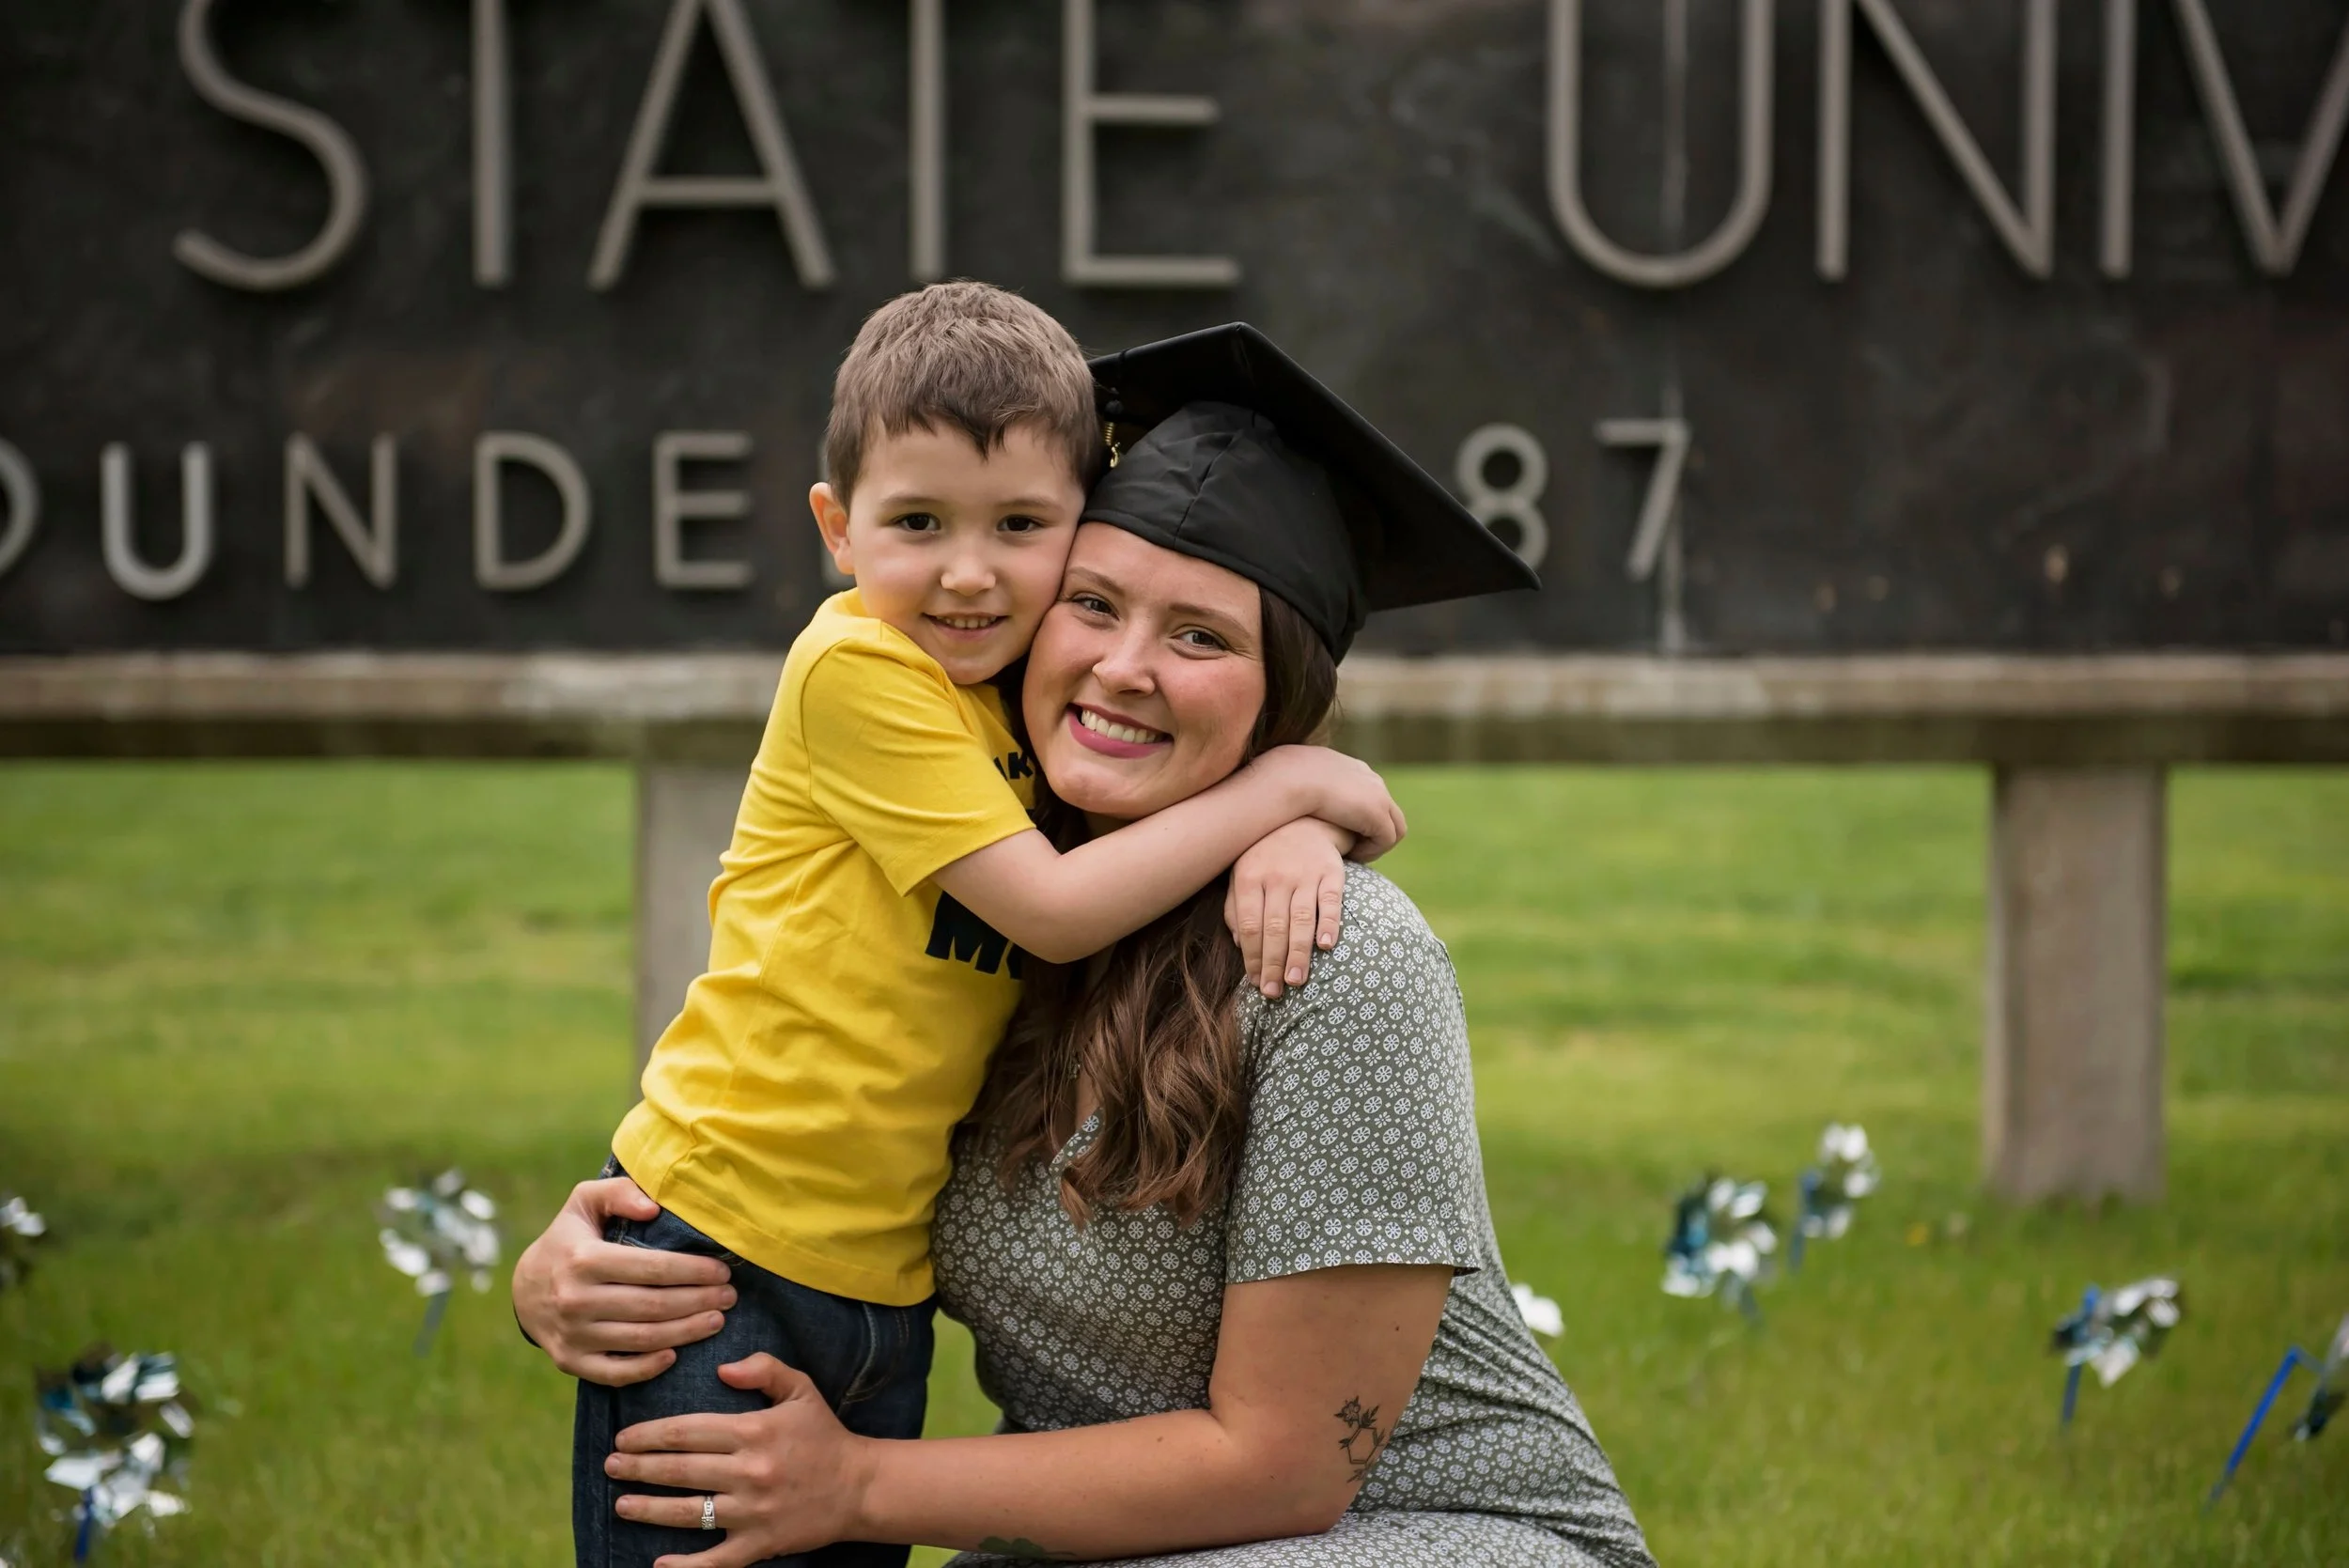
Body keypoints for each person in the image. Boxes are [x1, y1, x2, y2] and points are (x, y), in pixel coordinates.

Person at [518, 325, 1653, 1567]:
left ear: (1282, 699)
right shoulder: (980, 902)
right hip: (1112, 1543)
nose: (1123, 669)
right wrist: (594, 1264)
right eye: (1094, 605)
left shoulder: (1338, 963)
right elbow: (788, 1093)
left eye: (1202, 637)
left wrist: (856, 1488)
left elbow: (1286, 1469)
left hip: (1427, 1536)